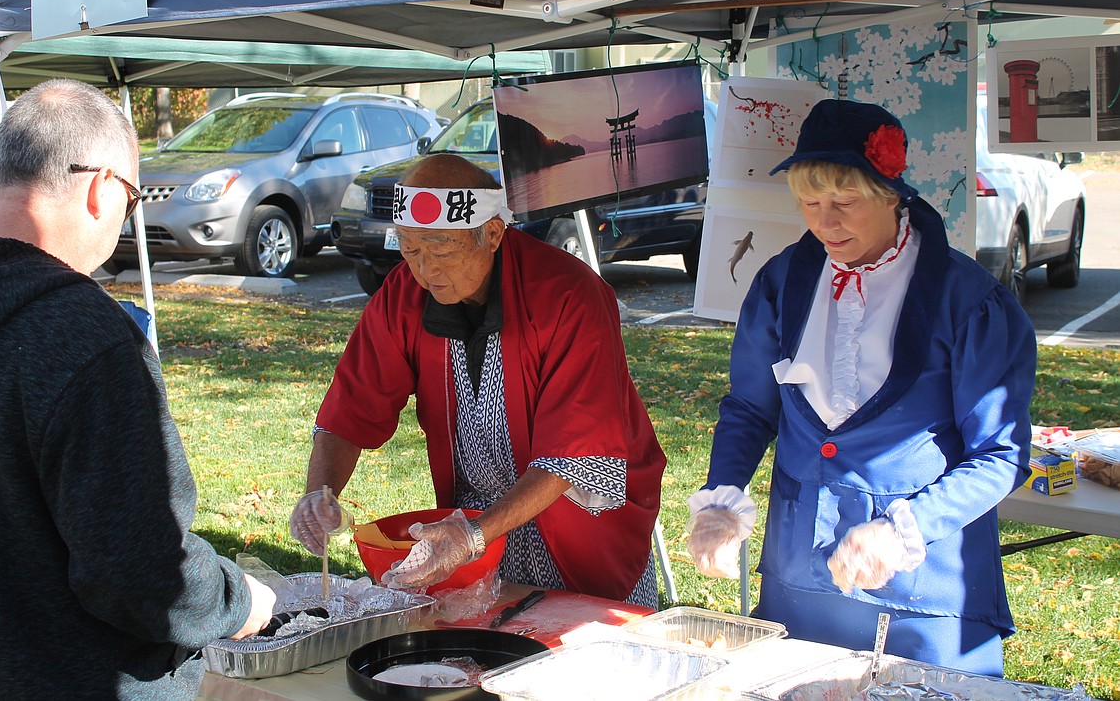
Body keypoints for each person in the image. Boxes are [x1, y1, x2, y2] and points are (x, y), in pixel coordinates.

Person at [0, 79, 275, 699]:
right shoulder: (82, 336)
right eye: (132, 198)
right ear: (102, 188)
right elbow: (143, 572)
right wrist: (238, 600)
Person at [687, 99, 1035, 676]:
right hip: (798, 578)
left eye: (845, 203)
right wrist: (722, 500)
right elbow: (751, 408)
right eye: (809, 203)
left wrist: (905, 530)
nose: (825, 223)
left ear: (892, 194)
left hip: (921, 593)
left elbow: (1000, 456)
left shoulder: (967, 302)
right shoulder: (782, 283)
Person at [291, 153, 666, 607]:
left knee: (582, 650)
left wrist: (473, 534)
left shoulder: (568, 295)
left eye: (443, 251)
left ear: (491, 233)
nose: (427, 270)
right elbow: (350, 409)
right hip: (470, 531)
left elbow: (574, 453)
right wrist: (318, 493)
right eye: (411, 250)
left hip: (576, 528)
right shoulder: (404, 295)